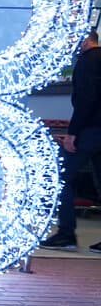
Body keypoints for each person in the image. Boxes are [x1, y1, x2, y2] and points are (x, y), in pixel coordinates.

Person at [42, 29, 101, 254]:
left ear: (85, 40)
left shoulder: (87, 61)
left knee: (61, 176)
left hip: (90, 131)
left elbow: (87, 99)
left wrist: (73, 132)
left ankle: (66, 233)